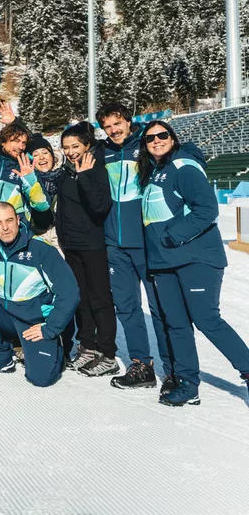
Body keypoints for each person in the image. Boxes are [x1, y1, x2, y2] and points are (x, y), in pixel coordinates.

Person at [138, 121, 249, 406]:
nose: (157, 140)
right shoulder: (155, 172)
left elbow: (207, 209)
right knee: (176, 325)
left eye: (162, 135)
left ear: (172, 138)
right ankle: (189, 385)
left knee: (206, 319)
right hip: (164, 263)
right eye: (150, 138)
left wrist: (173, 236)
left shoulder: (182, 166)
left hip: (195, 257)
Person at [0, 201, 79, 387]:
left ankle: (57, 349)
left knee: (41, 379)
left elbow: (70, 293)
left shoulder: (40, 249)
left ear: (18, 220)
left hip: (34, 322)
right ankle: (1, 356)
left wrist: (49, 328)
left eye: (9, 220)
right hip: (6, 315)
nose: (5, 227)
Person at [96, 103, 171, 391]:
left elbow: (180, 153)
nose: (113, 130)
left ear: (129, 121)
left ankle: (173, 368)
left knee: (160, 308)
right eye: (107, 126)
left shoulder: (147, 145)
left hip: (146, 243)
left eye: (117, 123)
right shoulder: (102, 152)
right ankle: (142, 365)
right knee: (127, 306)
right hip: (114, 243)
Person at [56, 123, 117, 377]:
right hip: (71, 245)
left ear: (87, 146)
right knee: (81, 298)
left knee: (99, 298)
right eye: (66, 147)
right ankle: (88, 347)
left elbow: (100, 206)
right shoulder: (65, 172)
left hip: (92, 245)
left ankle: (108, 353)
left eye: (76, 146)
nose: (71, 152)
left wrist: (86, 176)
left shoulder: (96, 169)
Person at [0, 122, 49, 234]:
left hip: (16, 235)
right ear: (3, 141)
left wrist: (30, 180)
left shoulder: (27, 168)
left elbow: (43, 206)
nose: (21, 147)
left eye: (24, 143)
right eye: (16, 141)